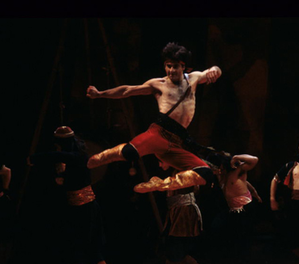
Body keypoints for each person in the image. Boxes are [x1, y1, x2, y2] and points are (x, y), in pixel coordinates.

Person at [86, 42, 222, 191]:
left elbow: (212, 71)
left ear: (183, 66)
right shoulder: (159, 84)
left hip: (177, 141)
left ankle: (159, 184)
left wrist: (216, 69)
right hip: (159, 133)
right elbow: (127, 90)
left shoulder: (193, 78)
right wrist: (100, 94)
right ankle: (101, 157)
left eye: (175, 66)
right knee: (129, 153)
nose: (171, 70)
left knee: (205, 172)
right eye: (168, 66)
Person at [28, 126, 116, 264]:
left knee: (76, 247)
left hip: (83, 208)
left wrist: (33, 159)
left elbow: (57, 156)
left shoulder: (77, 156)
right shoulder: (74, 155)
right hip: (83, 206)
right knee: (92, 250)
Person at [154, 159, 213, 264]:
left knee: (173, 249)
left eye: (162, 161)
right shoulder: (176, 174)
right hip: (176, 212)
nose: (160, 164)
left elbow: (194, 187)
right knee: (173, 250)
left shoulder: (184, 173)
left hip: (184, 213)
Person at [206, 152, 262, 264]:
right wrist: (255, 192)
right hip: (232, 211)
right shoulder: (221, 177)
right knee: (217, 230)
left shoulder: (237, 171)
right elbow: (246, 184)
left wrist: (236, 158)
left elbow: (254, 159)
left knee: (239, 244)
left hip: (244, 210)